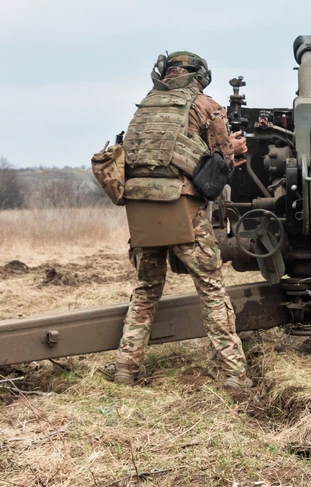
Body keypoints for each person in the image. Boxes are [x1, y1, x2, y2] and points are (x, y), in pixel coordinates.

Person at [110, 51, 250, 389]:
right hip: (182, 207)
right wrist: (235, 149)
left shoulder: (145, 106)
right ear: (200, 74)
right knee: (212, 290)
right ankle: (235, 375)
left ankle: (125, 370)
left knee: (145, 291)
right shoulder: (205, 105)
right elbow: (221, 163)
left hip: (141, 209)